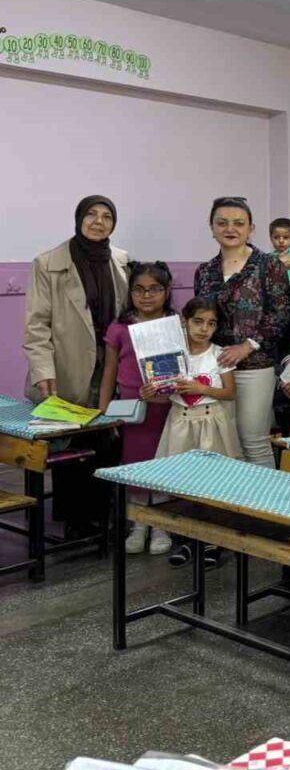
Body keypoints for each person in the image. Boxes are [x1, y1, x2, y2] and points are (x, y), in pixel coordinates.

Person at [24, 195, 130, 535]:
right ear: (78, 218)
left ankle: (105, 514)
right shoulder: (48, 263)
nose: (98, 222)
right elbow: (36, 324)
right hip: (66, 367)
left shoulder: (121, 261)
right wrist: (44, 372)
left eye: (106, 216)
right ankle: (76, 519)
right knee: (72, 444)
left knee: (108, 440)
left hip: (110, 366)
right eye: (91, 215)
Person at [193, 197, 290, 468]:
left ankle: (265, 507)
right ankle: (234, 506)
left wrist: (247, 346)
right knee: (224, 441)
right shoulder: (204, 271)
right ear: (212, 228)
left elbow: (280, 316)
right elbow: (198, 317)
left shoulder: (268, 266)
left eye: (239, 223)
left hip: (255, 366)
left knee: (253, 440)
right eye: (222, 223)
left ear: (251, 228)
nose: (230, 229)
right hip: (214, 367)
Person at [98, 262, 180, 555]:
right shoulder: (120, 327)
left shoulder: (176, 324)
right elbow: (109, 371)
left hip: (167, 408)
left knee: (161, 466)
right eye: (139, 290)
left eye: (155, 289)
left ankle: (161, 525)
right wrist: (105, 412)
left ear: (167, 291)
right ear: (130, 292)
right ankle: (138, 525)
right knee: (134, 466)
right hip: (131, 409)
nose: (147, 296)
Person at [157, 297, 242, 569]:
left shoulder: (220, 354)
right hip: (180, 422)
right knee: (180, 483)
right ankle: (184, 539)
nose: (204, 328)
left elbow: (229, 393)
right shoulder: (172, 356)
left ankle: (212, 542)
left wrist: (201, 388)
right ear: (184, 321)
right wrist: (151, 392)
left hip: (211, 422)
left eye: (211, 323)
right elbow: (163, 391)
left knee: (213, 483)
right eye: (197, 321)